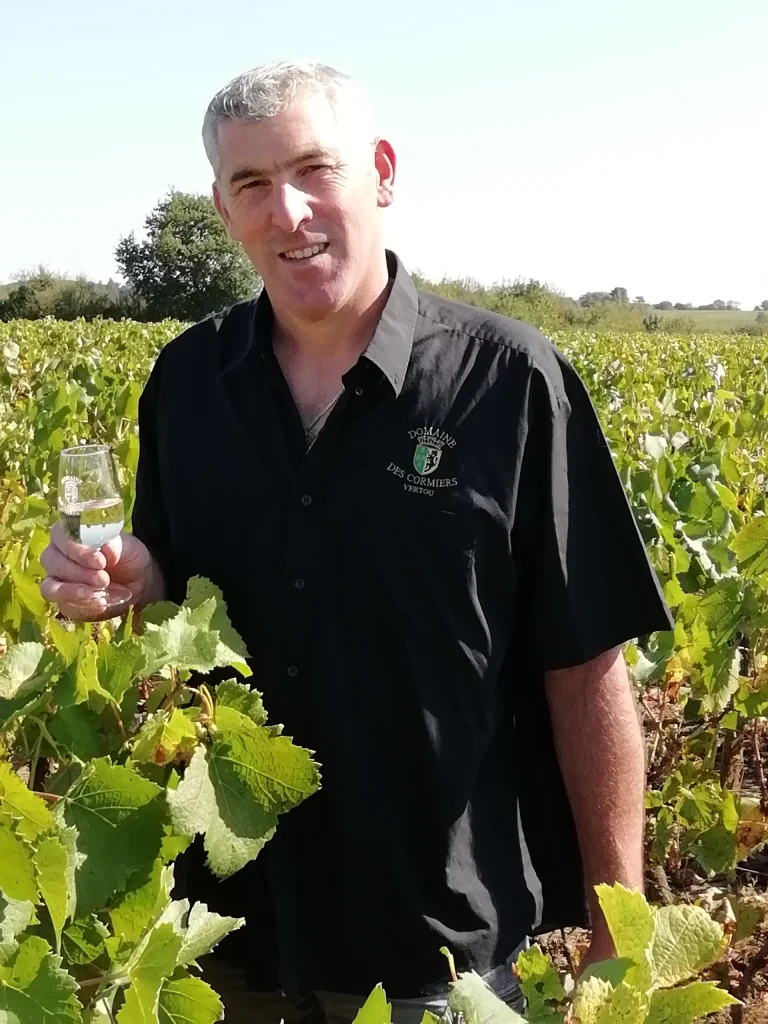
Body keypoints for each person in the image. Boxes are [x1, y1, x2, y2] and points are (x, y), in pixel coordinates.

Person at [40, 60, 675, 1024]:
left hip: (434, 951)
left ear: (380, 170)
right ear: (223, 208)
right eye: (252, 184)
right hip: (225, 935)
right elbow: (172, 584)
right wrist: (128, 577)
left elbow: (586, 669)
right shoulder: (187, 383)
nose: (288, 211)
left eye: (313, 170)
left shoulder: (508, 384)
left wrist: (614, 928)